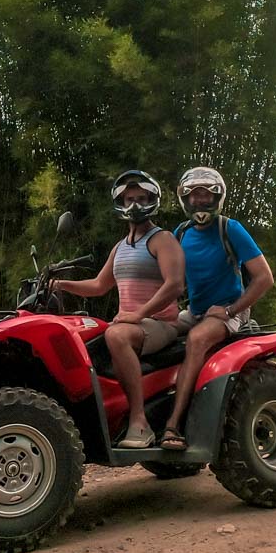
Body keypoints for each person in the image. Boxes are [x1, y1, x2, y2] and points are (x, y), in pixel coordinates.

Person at [54, 170, 184, 448]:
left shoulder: (163, 240)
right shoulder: (120, 247)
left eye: (140, 198)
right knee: (89, 338)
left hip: (160, 324)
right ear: (121, 203)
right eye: (129, 199)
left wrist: (139, 314)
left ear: (152, 200)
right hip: (132, 324)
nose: (135, 205)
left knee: (116, 336)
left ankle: (139, 422)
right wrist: (62, 285)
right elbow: (100, 285)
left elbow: (175, 285)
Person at [159, 167, 274, 450]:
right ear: (186, 200)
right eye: (194, 196)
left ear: (217, 198)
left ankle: (174, 424)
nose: (200, 201)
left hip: (228, 309)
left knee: (197, 340)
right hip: (195, 310)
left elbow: (264, 278)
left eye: (206, 195)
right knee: (156, 333)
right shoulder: (182, 232)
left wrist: (231, 311)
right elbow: (170, 278)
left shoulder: (229, 228)